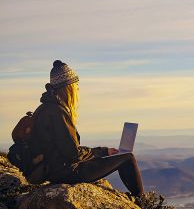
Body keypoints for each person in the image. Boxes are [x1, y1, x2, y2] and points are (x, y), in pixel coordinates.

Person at [30, 60, 144, 197]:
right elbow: (74, 154)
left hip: (53, 170)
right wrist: (101, 153)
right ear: (69, 88)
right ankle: (141, 200)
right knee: (127, 158)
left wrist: (104, 151)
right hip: (66, 172)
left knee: (123, 157)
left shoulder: (44, 108)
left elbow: (66, 148)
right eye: (76, 86)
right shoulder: (58, 112)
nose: (78, 89)